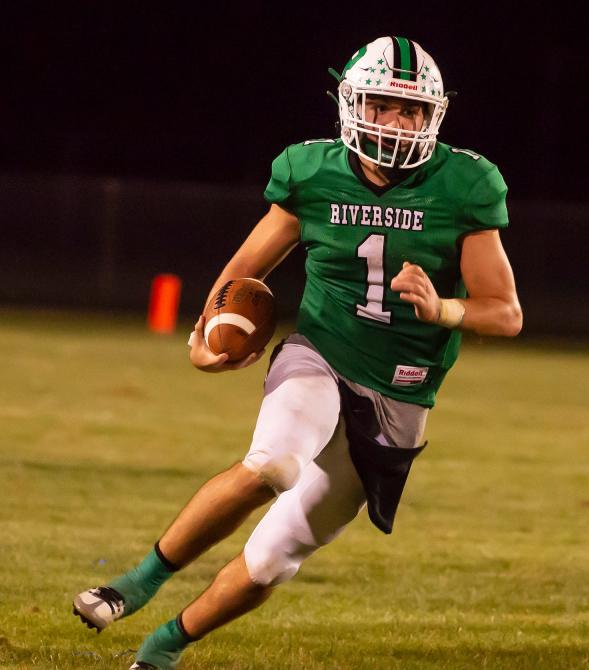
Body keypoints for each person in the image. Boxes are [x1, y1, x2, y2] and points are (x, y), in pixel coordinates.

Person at [73, 35, 522, 670]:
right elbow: (244, 269)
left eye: (415, 110)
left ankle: (163, 649)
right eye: (388, 105)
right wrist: (206, 336)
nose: (401, 122)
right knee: (273, 463)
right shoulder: (312, 171)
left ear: (434, 116)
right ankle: (135, 583)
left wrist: (445, 309)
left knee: (272, 560)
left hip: (400, 392)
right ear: (352, 104)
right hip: (321, 353)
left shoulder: (465, 183)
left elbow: (505, 312)